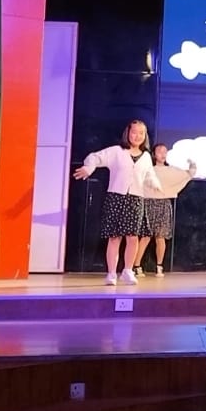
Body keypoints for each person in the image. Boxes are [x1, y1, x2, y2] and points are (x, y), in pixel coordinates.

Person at [73, 119, 163, 286]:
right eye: (134, 132)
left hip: (136, 199)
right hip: (116, 197)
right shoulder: (116, 151)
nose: (137, 136)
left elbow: (149, 175)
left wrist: (156, 184)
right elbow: (95, 157)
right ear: (128, 133)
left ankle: (128, 271)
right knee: (114, 238)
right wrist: (89, 168)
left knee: (133, 237)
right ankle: (112, 273)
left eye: (141, 133)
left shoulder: (146, 157)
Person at [131, 143, 197, 278]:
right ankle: (136, 266)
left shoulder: (171, 170)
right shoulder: (148, 169)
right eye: (159, 151)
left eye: (165, 152)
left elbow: (188, 174)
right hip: (148, 203)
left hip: (164, 203)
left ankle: (159, 266)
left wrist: (192, 164)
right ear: (154, 154)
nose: (162, 154)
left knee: (161, 237)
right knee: (145, 237)